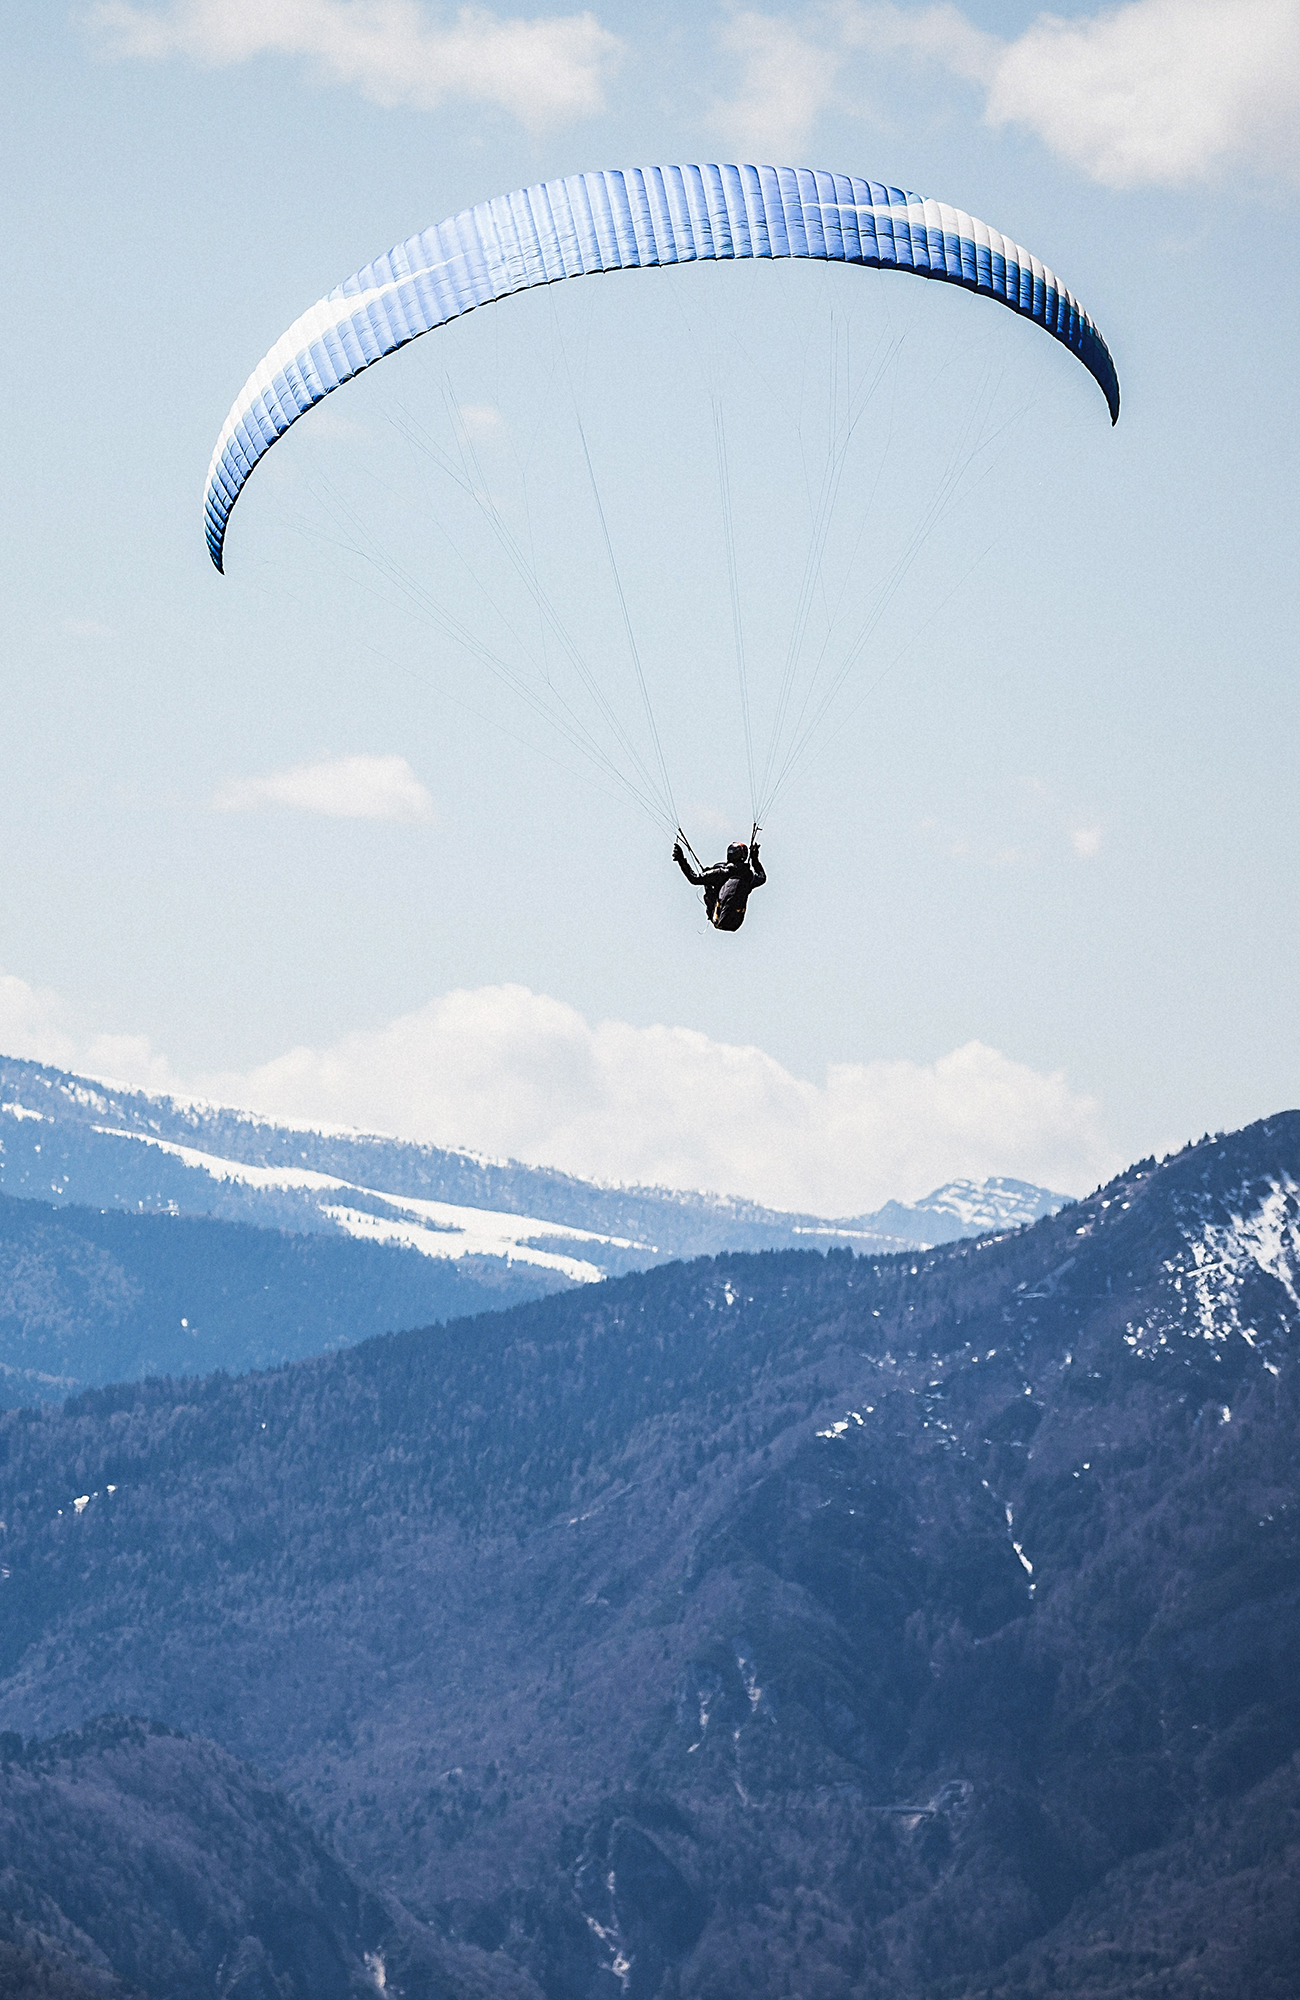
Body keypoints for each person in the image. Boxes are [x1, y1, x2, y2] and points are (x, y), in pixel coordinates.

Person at [673, 833, 766, 932]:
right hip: (736, 923)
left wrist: (681, 859)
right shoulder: (748, 877)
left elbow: (694, 878)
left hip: (719, 921)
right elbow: (762, 877)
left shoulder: (722, 873)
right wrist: (755, 860)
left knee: (710, 886)